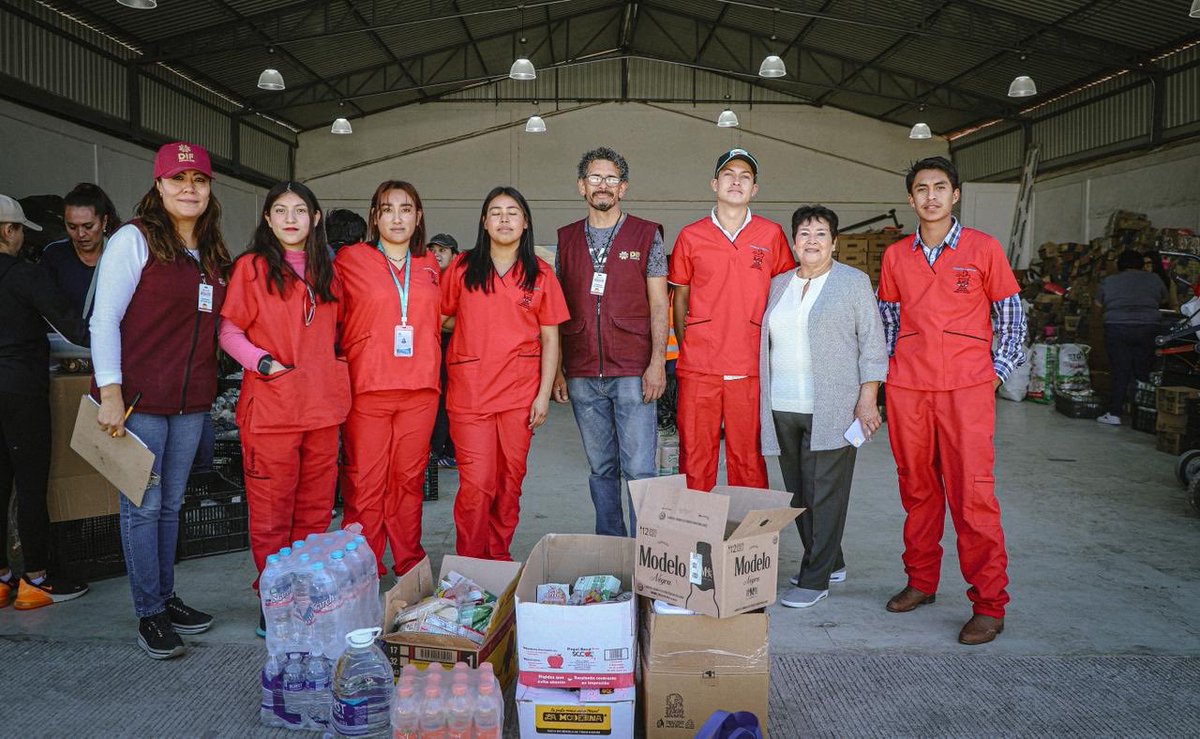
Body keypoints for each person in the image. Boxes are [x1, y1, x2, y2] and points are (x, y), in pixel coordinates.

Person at [876, 156, 1026, 646]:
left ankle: (988, 604)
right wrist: (889, 377)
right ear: (911, 198)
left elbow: (1011, 321)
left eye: (941, 187)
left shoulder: (983, 249)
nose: (931, 196)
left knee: (972, 495)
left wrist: (992, 377)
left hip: (966, 390)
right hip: (909, 390)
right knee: (917, 490)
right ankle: (921, 582)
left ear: (955, 194)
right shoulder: (897, 256)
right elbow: (889, 324)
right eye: (922, 189)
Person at [90, 141, 231, 659]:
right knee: (143, 506)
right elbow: (103, 319)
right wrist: (110, 391)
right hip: (139, 401)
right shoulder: (134, 239)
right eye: (178, 179)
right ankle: (148, 612)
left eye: (198, 180)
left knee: (171, 504)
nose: (188, 188)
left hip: (190, 402)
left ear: (209, 188)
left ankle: (165, 597)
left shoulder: (210, 249)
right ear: (159, 185)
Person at [218, 181, 350, 620]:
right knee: (272, 511)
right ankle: (273, 597)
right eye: (280, 210)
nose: (290, 218)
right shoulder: (252, 269)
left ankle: (304, 591)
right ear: (268, 219)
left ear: (315, 219)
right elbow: (229, 332)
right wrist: (264, 363)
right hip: (273, 407)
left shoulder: (328, 271)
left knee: (314, 510)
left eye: (299, 210)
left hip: (321, 407)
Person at [759, 205, 887, 609]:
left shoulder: (852, 282)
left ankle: (815, 579)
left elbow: (873, 343)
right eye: (803, 234)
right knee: (800, 494)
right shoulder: (778, 284)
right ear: (793, 242)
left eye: (820, 234)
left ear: (834, 241)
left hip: (833, 406)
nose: (811, 241)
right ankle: (832, 560)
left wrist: (869, 397)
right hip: (783, 405)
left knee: (825, 492)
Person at [440, 186, 569, 560]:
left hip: (519, 394)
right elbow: (442, 317)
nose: (504, 219)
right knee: (477, 484)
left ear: (526, 222)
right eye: (495, 212)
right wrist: (472, 334)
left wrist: (544, 394)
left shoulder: (540, 273)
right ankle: (469, 561)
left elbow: (551, 337)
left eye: (513, 212)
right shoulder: (463, 268)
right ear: (484, 222)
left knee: (510, 482)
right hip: (471, 393)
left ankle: (497, 556)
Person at [551, 147, 668, 536]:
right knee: (601, 469)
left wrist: (656, 364)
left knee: (640, 469)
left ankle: (647, 555)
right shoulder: (565, 240)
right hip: (583, 372)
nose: (604, 185)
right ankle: (612, 547)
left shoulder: (646, 234)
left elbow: (657, 304)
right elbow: (555, 310)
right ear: (581, 186)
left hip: (633, 370)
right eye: (595, 178)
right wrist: (558, 373)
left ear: (624, 187)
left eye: (612, 178)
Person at [668, 149, 795, 491]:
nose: (736, 181)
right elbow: (680, 297)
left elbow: (785, 296)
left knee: (748, 458)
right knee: (695, 457)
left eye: (745, 176)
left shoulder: (771, 235)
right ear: (714, 184)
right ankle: (696, 536)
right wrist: (690, 343)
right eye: (728, 174)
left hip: (750, 365)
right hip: (699, 367)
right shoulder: (691, 236)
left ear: (755, 189)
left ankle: (749, 544)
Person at [335, 181, 442, 576]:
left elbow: (445, 317)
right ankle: (363, 562)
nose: (397, 217)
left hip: (420, 389)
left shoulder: (430, 264)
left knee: (409, 479)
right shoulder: (350, 259)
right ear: (375, 216)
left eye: (406, 208)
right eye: (387, 209)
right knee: (365, 480)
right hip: (368, 386)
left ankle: (408, 558)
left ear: (419, 216)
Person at [0, 194, 91, 610]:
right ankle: (36, 578)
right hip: (21, 391)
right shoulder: (26, 275)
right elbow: (73, 328)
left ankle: (2, 580)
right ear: (8, 230)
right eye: (19, 230)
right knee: (31, 483)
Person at [1094, 249, 1167, 425]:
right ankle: (1142, 416)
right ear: (1142, 264)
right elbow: (1164, 300)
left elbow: (1098, 304)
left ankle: (1115, 414)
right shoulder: (1154, 279)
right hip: (1148, 328)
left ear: (1119, 264)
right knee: (1143, 370)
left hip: (1117, 328)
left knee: (1120, 370)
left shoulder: (1109, 281)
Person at [39, 183, 121, 317]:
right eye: (72, 227)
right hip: (66, 337)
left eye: (88, 226)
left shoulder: (120, 254)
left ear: (104, 221)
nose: (80, 234)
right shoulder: (54, 255)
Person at [428, 233, 459, 468]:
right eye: (433, 250)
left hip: (453, 346)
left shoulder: (460, 280)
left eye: (443, 250)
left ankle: (446, 451)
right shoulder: (427, 279)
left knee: (449, 399)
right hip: (430, 346)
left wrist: (436, 321)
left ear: (454, 255)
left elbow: (465, 321)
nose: (437, 254)